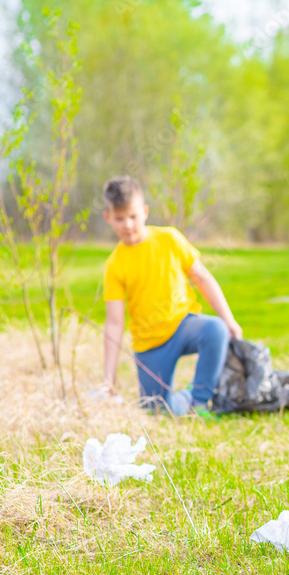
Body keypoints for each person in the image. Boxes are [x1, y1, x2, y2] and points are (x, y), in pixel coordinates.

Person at [99, 175, 243, 416]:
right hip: (150, 344)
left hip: (182, 325)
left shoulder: (170, 239)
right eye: (120, 219)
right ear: (108, 218)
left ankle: (200, 401)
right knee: (157, 410)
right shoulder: (114, 265)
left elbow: (203, 278)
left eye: (133, 217)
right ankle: (185, 399)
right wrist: (108, 378)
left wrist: (229, 320)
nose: (128, 225)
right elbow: (114, 322)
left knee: (216, 330)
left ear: (144, 212)